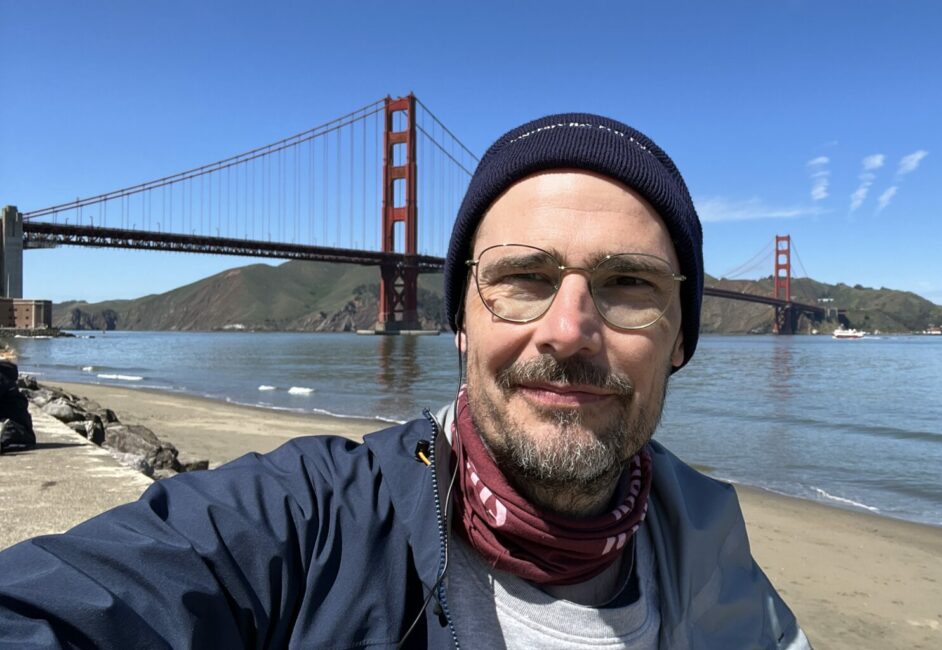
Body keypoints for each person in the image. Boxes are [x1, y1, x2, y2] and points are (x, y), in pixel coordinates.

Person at [0, 113, 809, 648]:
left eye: (631, 284)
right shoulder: (308, 524)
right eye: (522, 276)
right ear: (461, 319)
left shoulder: (720, 560)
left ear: (680, 340)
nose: (568, 329)